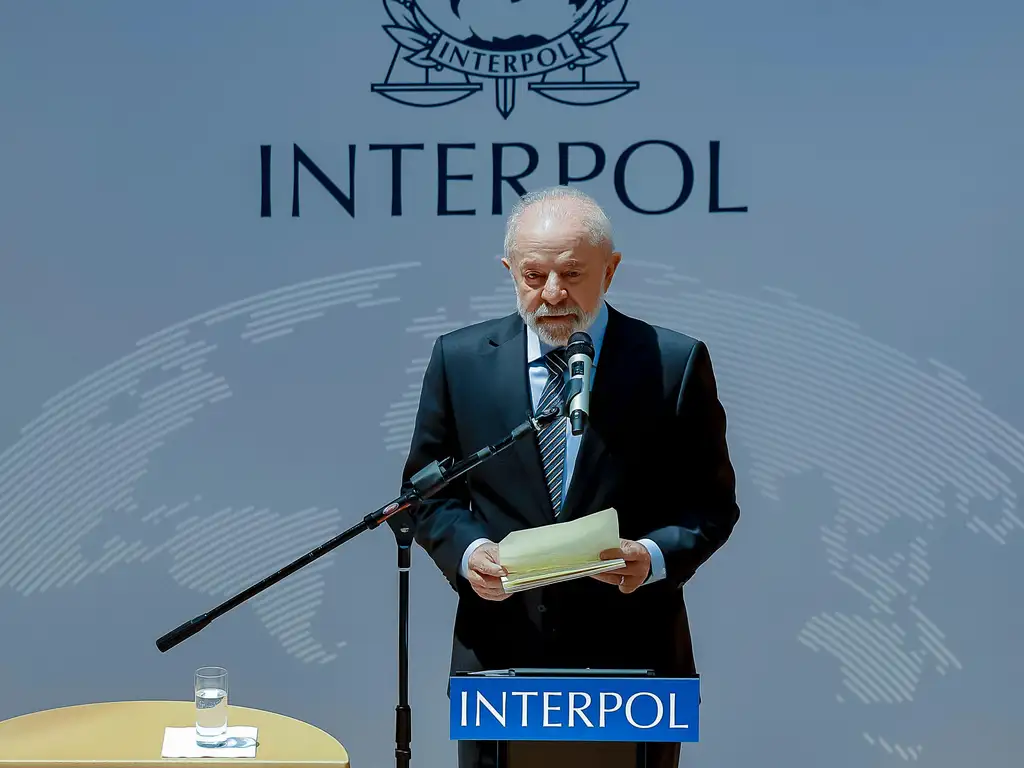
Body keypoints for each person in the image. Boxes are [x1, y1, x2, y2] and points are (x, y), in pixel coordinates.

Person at [401, 186, 740, 768]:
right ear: (510, 271)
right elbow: (427, 494)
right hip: (501, 658)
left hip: (633, 664)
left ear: (610, 270)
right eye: (533, 276)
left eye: (573, 274)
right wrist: (471, 553)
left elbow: (711, 504)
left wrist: (651, 556)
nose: (553, 294)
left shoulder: (671, 363)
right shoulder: (461, 361)